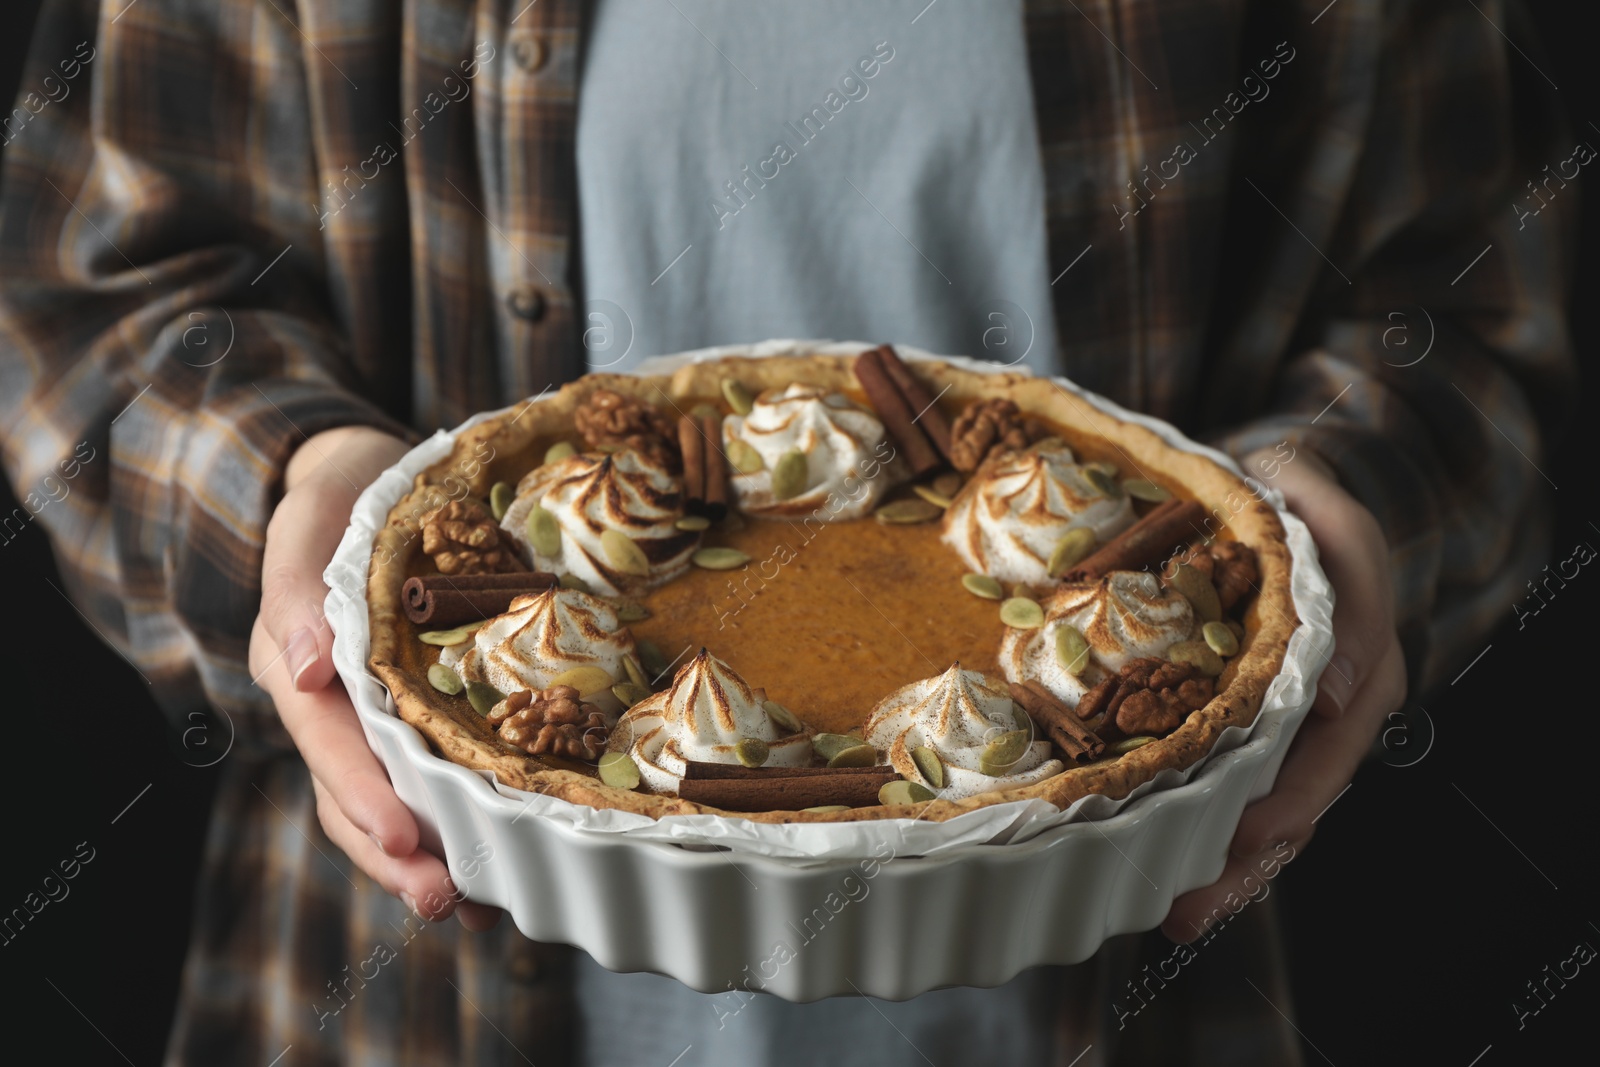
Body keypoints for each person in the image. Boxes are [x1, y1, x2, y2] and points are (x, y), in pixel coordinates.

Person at [0, 1, 1573, 1064]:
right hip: (391, 1002)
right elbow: (100, 297)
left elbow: (1460, 304)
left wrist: (1349, 527)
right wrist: (305, 488)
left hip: (1148, 986)